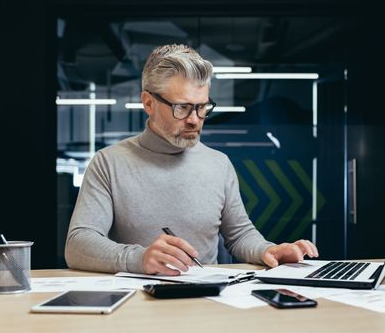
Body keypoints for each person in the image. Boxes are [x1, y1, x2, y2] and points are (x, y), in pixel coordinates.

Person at [65, 44, 318, 276]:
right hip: (136, 306)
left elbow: (240, 235)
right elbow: (78, 244)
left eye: (202, 107)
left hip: (207, 302)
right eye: (182, 107)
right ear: (148, 103)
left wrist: (267, 250)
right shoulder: (108, 163)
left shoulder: (219, 164)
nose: (194, 119)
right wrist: (139, 259)